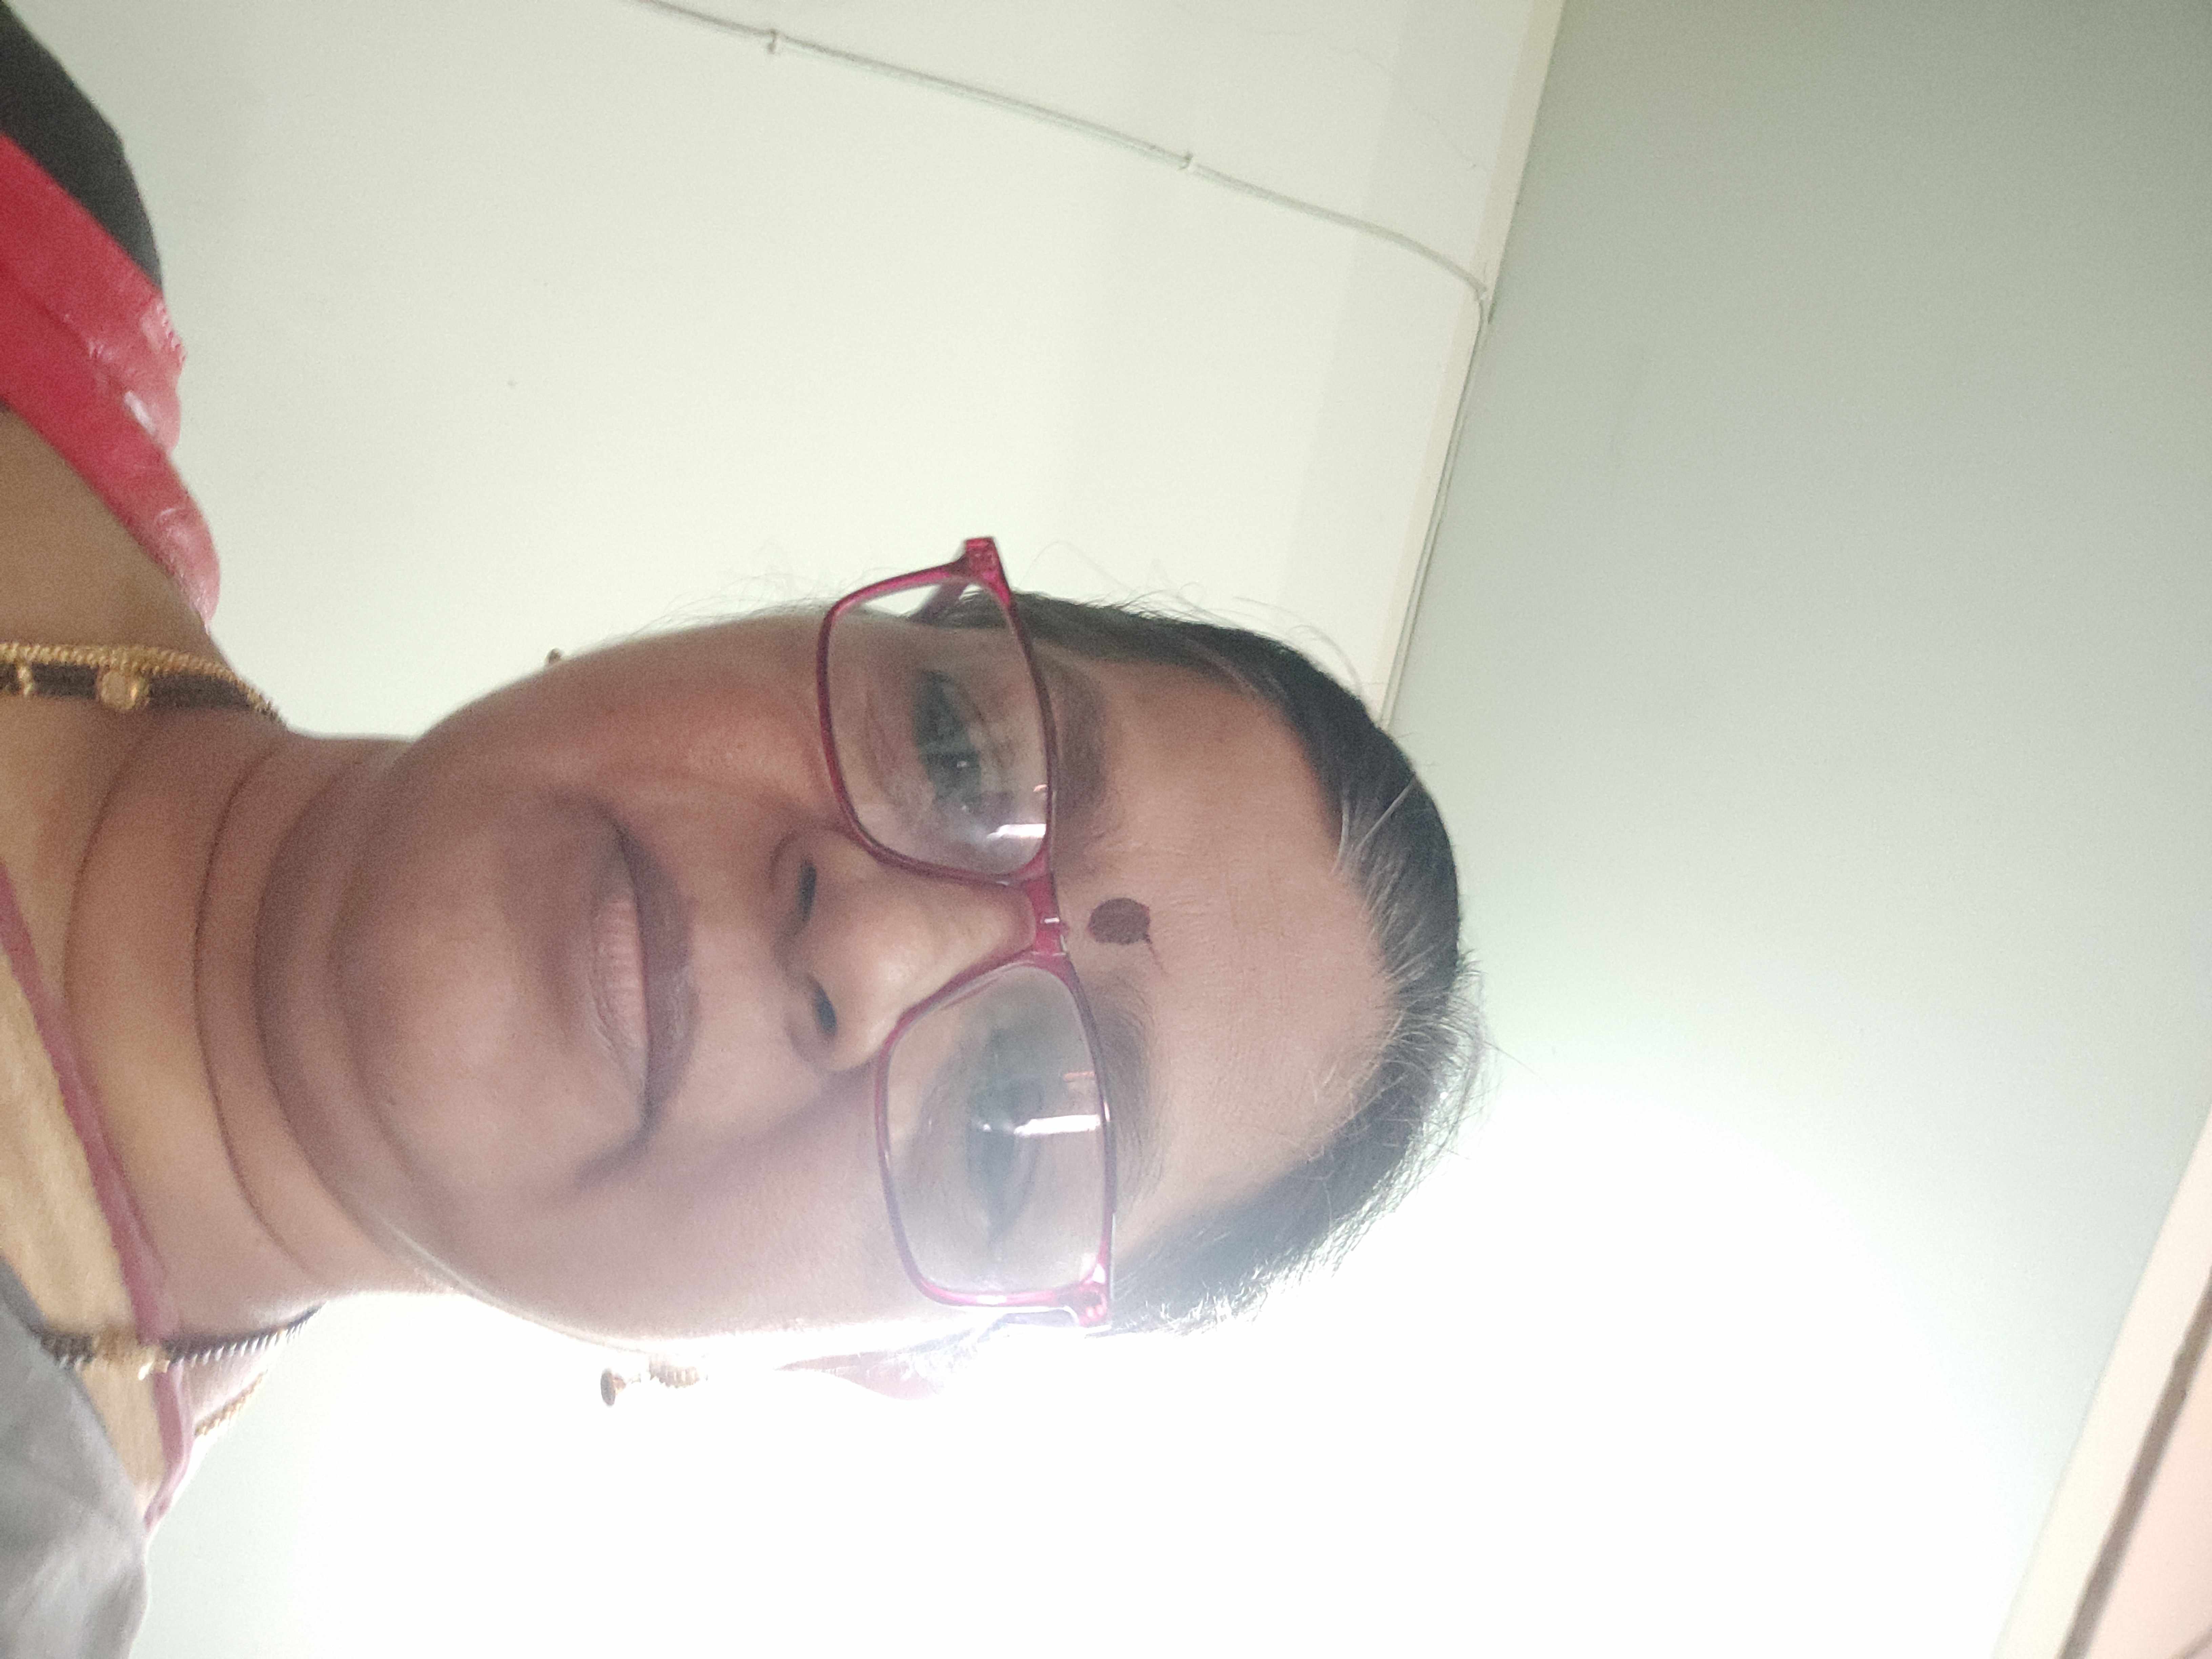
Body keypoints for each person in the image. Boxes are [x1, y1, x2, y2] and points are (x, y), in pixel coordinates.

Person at [0, 7, 1475, 1654]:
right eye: (958, 743)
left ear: (862, 1360)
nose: (875, 940)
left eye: (1007, 1132)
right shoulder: (43, 218)